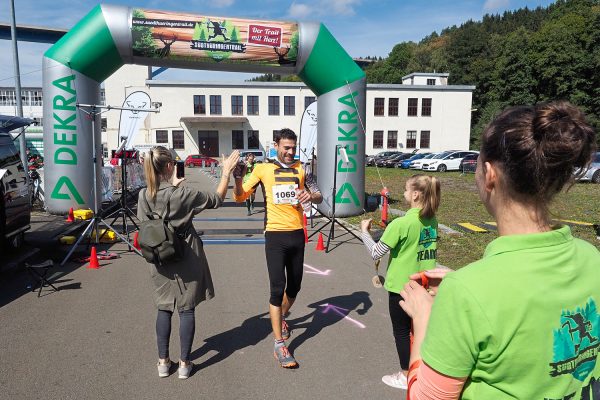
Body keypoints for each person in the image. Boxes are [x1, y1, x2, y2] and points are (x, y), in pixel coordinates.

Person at [399, 101, 600, 399]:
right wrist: (469, 289)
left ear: (489, 174)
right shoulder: (591, 257)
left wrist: (425, 318)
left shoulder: (466, 292)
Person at [137, 146, 240, 379]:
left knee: (163, 307)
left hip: (157, 256)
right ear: (169, 167)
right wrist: (225, 173)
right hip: (185, 254)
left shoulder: (144, 195)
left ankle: (163, 362)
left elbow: (148, 218)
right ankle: (184, 363)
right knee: (186, 308)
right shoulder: (183, 194)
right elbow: (216, 199)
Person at [233, 128, 322, 368]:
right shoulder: (263, 168)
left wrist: (309, 196)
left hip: (297, 235)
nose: (290, 152)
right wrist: (238, 178)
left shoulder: (303, 169)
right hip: (274, 234)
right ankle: (279, 343)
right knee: (276, 288)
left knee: (294, 288)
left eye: (293, 148)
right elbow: (240, 197)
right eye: (286, 148)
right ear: (276, 146)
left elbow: (319, 195)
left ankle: (280, 316)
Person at [360, 175, 440, 390]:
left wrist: (364, 232)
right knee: (419, 330)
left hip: (401, 288)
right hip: (424, 285)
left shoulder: (401, 223)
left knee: (402, 332)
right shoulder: (432, 220)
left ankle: (406, 375)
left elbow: (376, 252)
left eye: (406, 190)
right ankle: (422, 369)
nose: (403, 194)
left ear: (415, 194)